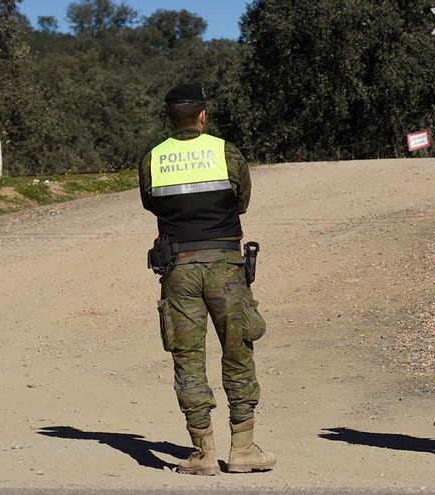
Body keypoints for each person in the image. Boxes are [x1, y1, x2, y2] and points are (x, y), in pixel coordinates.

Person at [138, 83, 275, 476]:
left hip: (178, 269)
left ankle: (201, 453)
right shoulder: (225, 152)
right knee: (238, 351)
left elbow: (152, 204)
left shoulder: (153, 158)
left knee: (188, 359)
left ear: (171, 118)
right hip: (226, 268)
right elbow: (243, 200)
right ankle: (243, 450)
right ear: (202, 116)